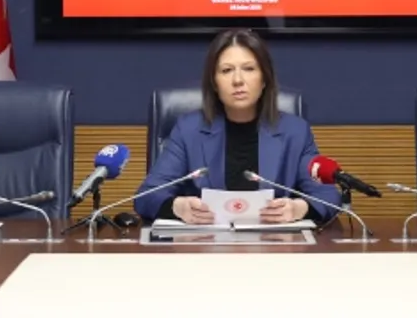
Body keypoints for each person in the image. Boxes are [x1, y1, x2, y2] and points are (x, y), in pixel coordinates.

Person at [134, 28, 340, 224]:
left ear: (264, 78)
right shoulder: (188, 130)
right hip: (204, 243)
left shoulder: (295, 132)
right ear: (214, 83)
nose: (238, 80)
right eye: (226, 70)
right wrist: (177, 207)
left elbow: (328, 196)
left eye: (249, 69)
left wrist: (298, 209)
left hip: (274, 244)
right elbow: (146, 196)